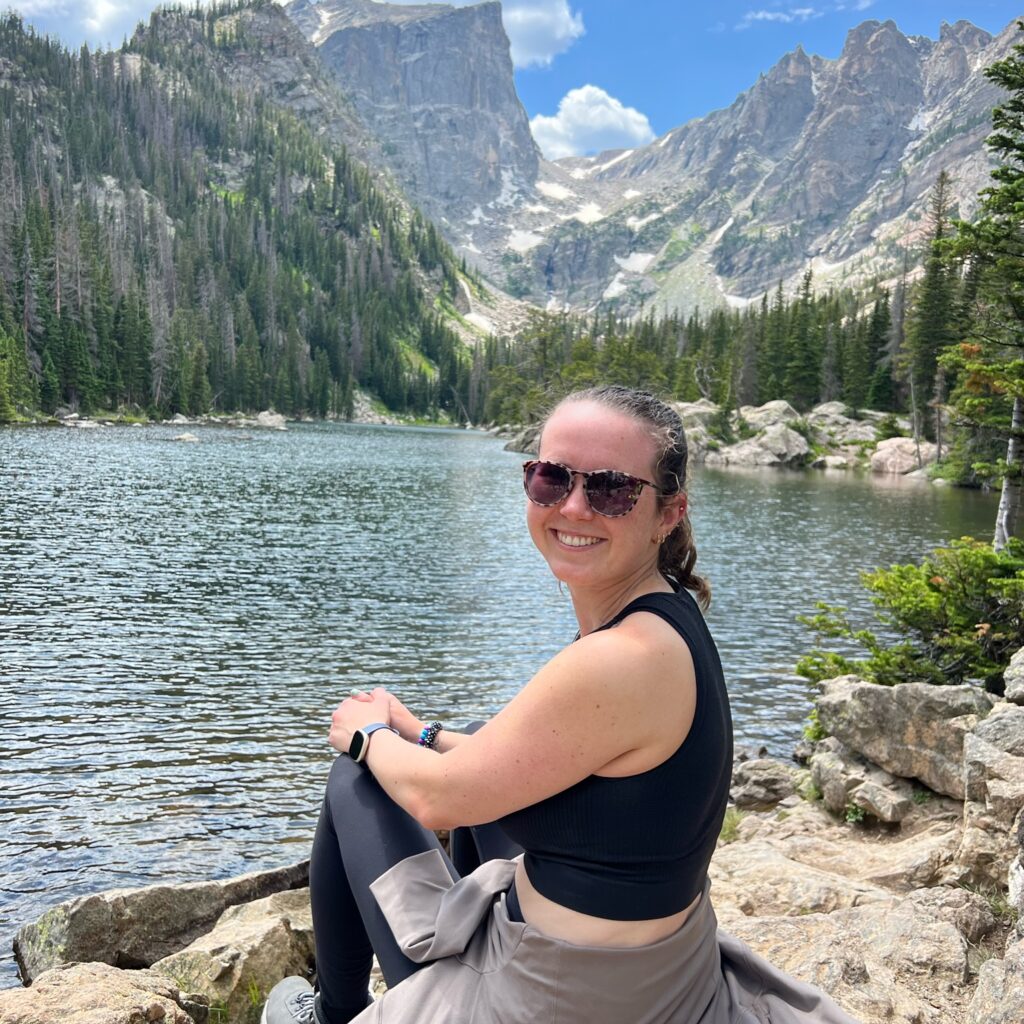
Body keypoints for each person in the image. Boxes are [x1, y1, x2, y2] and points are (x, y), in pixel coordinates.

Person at [263, 385, 859, 1024]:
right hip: (656, 975)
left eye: (609, 489)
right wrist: (423, 731)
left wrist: (366, 733)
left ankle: (337, 1010)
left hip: (553, 995)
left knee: (357, 776)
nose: (573, 506)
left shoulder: (619, 659)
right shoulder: (667, 613)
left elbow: (437, 800)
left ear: (668, 513)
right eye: (550, 478)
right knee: (467, 737)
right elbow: (530, 765)